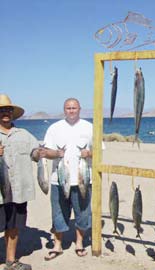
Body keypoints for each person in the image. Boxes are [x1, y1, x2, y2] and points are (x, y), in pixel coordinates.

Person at [39, 98, 93, 260]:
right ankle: (58, 245)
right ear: (64, 110)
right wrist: (56, 154)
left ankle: (79, 242)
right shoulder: (54, 128)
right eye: (68, 108)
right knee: (58, 214)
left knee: (83, 213)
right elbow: (45, 152)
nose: (71, 110)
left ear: (79, 109)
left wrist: (89, 153)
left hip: (83, 180)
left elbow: (100, 151)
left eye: (74, 108)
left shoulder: (89, 127)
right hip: (59, 180)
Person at [0, 94, 41, 270]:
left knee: (14, 227)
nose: (5, 113)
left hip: (18, 191)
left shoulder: (24, 134)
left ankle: (10, 261)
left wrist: (41, 153)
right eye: (2, 110)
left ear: (13, 113)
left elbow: (35, 152)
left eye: (8, 110)